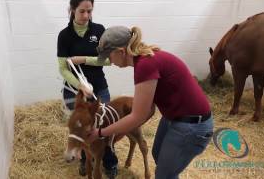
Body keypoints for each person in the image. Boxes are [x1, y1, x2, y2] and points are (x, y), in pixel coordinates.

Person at [87, 26, 214, 179]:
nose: (110, 61)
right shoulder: (145, 60)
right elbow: (147, 110)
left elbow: (137, 117)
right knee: (158, 154)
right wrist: (119, 130)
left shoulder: (145, 65)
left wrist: (101, 133)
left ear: (121, 51)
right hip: (174, 118)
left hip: (193, 126)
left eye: (109, 56)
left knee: (164, 174)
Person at [56, 0, 118, 178]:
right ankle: (85, 159)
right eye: (82, 11)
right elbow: (62, 68)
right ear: (72, 10)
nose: (86, 16)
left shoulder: (99, 30)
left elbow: (109, 59)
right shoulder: (64, 36)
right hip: (74, 91)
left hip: (99, 87)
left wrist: (84, 59)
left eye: (89, 11)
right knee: (80, 128)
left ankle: (109, 161)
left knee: (106, 127)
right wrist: (80, 86)